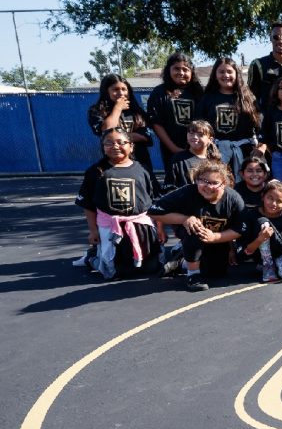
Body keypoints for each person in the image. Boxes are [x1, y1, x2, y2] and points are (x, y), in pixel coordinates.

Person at [75, 127, 161, 280]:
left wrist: (160, 229)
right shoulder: (96, 171)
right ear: (103, 147)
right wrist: (93, 231)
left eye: (121, 142)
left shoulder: (142, 169)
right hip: (110, 227)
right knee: (112, 271)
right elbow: (88, 205)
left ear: (131, 145)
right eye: (109, 143)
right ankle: (92, 258)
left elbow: (155, 201)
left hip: (141, 225)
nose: (115, 146)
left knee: (151, 268)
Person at [148, 160, 245, 291]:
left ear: (224, 184)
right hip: (191, 233)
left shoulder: (233, 199)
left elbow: (240, 229)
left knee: (216, 272)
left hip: (217, 237)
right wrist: (184, 219)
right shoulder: (187, 192)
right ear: (195, 180)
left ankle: (180, 259)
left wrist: (216, 238)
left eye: (214, 183)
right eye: (203, 180)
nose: (207, 186)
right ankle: (193, 275)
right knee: (196, 228)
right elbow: (153, 212)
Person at [199, 57, 263, 182]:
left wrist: (261, 147)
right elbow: (200, 126)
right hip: (216, 152)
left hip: (245, 152)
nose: (226, 75)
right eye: (221, 72)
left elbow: (261, 125)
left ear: (236, 74)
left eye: (229, 71)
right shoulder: (207, 98)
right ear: (215, 75)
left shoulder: (248, 97)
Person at [87, 73, 155, 176]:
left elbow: (145, 137)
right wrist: (118, 108)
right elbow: (107, 129)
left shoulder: (137, 112)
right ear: (106, 91)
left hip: (140, 163)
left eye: (124, 89)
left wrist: (117, 138)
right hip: (113, 165)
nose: (121, 93)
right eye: (115, 89)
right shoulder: (97, 111)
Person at [147, 52, 204, 170]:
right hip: (171, 151)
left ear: (191, 72)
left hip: (200, 150)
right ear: (169, 70)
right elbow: (156, 124)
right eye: (176, 69)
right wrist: (174, 148)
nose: (181, 73)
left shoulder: (200, 92)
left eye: (185, 69)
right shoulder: (159, 93)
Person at [238, 179, 282, 283]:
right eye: (270, 198)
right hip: (258, 254)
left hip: (281, 255)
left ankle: (274, 266)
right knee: (263, 222)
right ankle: (267, 265)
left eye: (279, 201)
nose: (274, 203)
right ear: (263, 197)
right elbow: (245, 251)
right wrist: (260, 239)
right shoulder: (252, 216)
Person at [165, 120, 223, 191]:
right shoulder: (177, 160)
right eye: (191, 133)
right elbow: (169, 188)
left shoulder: (215, 161)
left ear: (210, 139)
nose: (195, 137)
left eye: (200, 134)